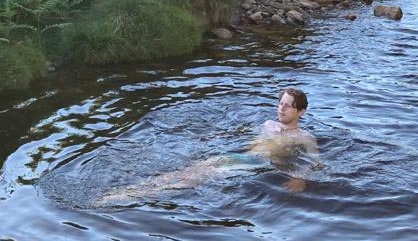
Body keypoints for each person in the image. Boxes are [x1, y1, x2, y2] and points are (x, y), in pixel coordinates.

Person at [96, 87, 318, 205]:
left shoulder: (304, 137)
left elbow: (315, 162)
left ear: (301, 112)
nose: (281, 109)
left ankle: (129, 198)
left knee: (194, 178)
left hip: (255, 165)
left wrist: (299, 177)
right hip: (237, 156)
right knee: (187, 171)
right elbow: (243, 135)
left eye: (288, 106)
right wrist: (216, 136)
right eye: (280, 103)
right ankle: (126, 193)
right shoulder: (268, 124)